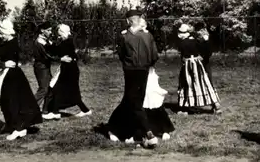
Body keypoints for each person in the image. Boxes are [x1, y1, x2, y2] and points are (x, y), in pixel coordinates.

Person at [0, 19, 43, 141]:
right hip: (11, 74)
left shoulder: (12, 43)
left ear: (7, 32)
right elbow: (2, 51)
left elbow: (0, 52)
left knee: (12, 101)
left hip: (13, 76)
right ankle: (12, 125)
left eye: (2, 33)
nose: (0, 35)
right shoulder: (10, 42)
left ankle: (18, 128)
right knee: (5, 100)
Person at [104, 10, 160, 148]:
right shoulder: (148, 36)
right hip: (144, 70)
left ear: (128, 21)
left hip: (130, 71)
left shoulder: (124, 36)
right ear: (139, 19)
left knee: (132, 101)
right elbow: (154, 56)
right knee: (135, 100)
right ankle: (133, 132)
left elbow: (121, 54)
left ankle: (145, 132)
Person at [124, 17, 174, 143]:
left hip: (147, 72)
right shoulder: (137, 36)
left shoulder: (146, 36)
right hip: (143, 71)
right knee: (139, 103)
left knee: (151, 100)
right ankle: (139, 132)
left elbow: (153, 56)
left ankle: (163, 129)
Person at [46, 24, 92, 118]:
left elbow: (56, 51)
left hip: (69, 70)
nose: (59, 36)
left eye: (59, 34)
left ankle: (55, 112)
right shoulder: (68, 41)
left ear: (63, 32)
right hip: (71, 69)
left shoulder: (67, 42)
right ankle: (85, 110)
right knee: (72, 91)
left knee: (58, 89)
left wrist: (47, 44)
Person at [177, 23, 222, 114]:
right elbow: (205, 51)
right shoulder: (196, 41)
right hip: (197, 64)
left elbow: (183, 54)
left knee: (187, 84)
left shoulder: (182, 43)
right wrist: (205, 41)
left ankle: (187, 106)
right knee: (204, 82)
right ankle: (215, 104)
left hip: (188, 65)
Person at [33, 21, 59, 118]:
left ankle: (45, 110)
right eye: (48, 30)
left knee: (51, 88)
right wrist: (60, 59)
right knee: (43, 89)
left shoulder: (46, 40)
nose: (50, 32)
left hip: (45, 67)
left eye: (50, 30)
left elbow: (53, 49)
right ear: (42, 31)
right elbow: (47, 56)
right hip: (41, 67)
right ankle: (30, 109)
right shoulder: (39, 42)